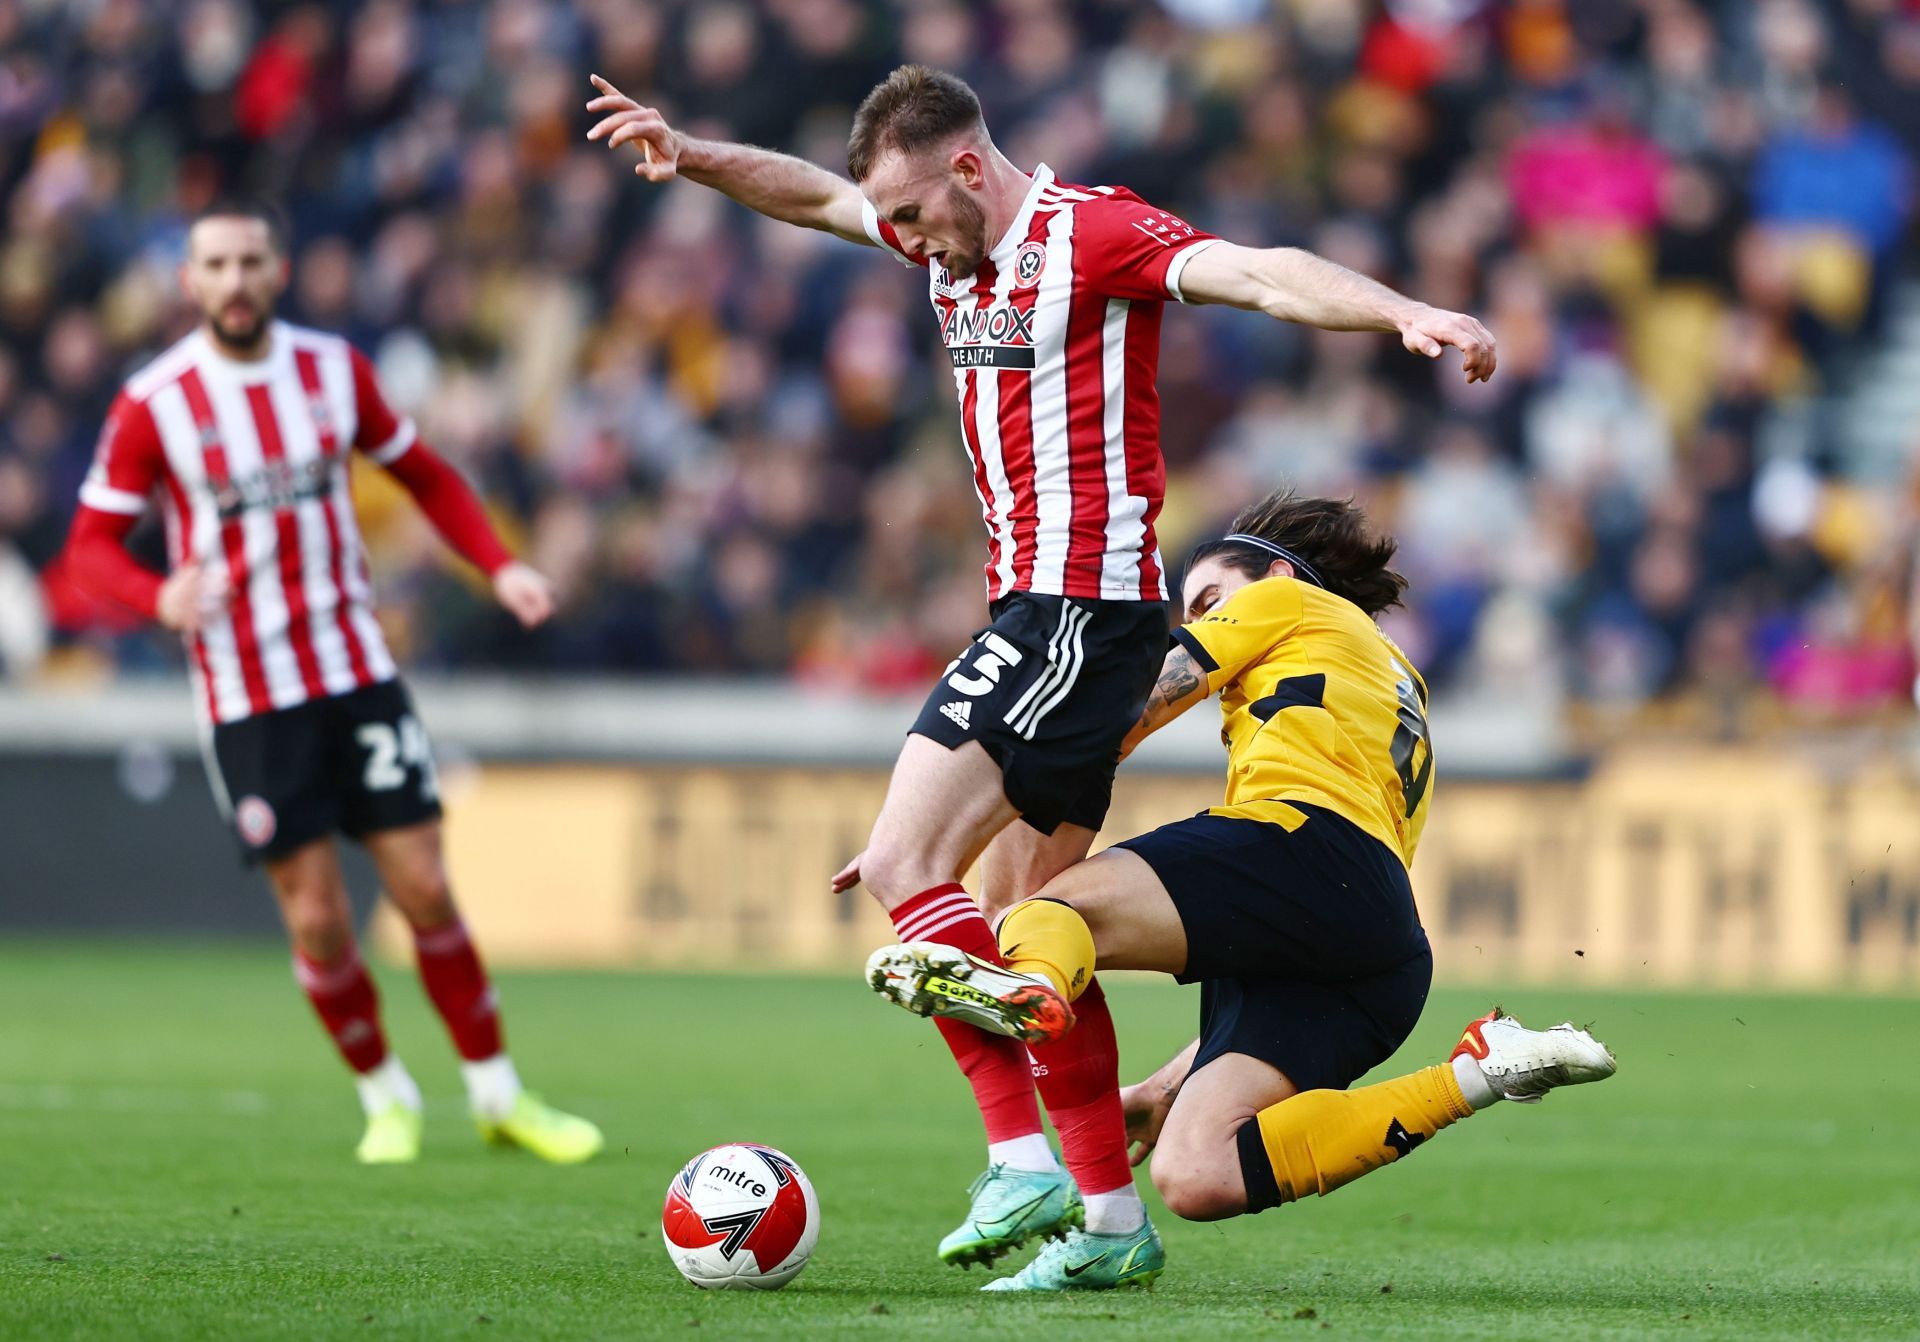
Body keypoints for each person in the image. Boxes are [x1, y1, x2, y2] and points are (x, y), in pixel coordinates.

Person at [586, 64, 1497, 1265]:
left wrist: (1400, 314)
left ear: (970, 167)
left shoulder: (1097, 235)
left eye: (913, 213)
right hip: (1053, 619)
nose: (904, 241)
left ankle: (1019, 1167)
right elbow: (817, 201)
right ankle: (1114, 1222)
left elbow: (1259, 271)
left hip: (1074, 609)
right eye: (895, 223)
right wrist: (695, 151)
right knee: (1021, 918)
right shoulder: (942, 245)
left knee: (911, 863)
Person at [868, 491, 1616, 1290]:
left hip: (1300, 841)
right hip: (1378, 948)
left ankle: (1028, 986)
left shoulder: (1287, 598)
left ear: (1275, 573)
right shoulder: (1393, 675)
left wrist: (948, 813)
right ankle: (1479, 1071)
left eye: (1210, 601)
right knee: (1199, 1172)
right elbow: (1322, 912)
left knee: (1046, 913)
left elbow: (1127, 709)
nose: (1197, 621)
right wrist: (1163, 1085)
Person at [64, 199, 603, 1167]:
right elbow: (89, 547)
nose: (235, 281)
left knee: (425, 886)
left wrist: (499, 564)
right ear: (190, 284)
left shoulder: (330, 370)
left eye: (251, 261)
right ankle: (385, 1094)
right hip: (249, 692)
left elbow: (427, 474)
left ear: (279, 271)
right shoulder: (156, 401)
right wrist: (159, 595)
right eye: (216, 265)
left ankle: (498, 1094)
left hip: (357, 669)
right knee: (315, 913)